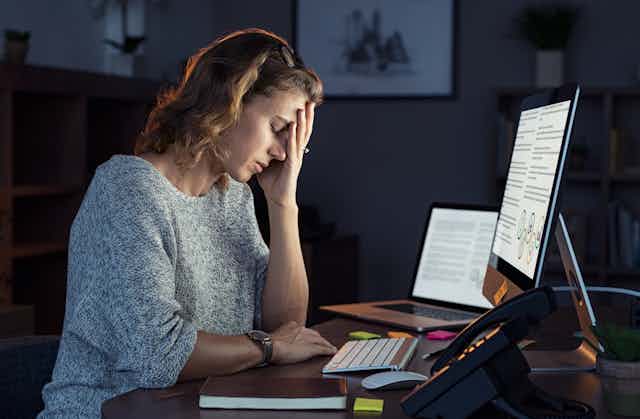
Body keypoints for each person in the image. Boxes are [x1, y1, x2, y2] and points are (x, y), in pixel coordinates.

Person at [38, 28, 337, 418]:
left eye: (294, 141)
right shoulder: (128, 190)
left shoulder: (232, 196)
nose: (283, 152)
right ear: (228, 100)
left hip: (194, 410)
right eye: (279, 129)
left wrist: (283, 203)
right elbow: (157, 355)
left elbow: (286, 325)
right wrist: (269, 348)